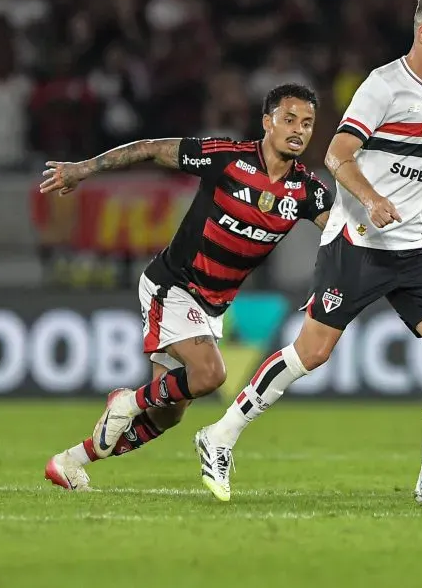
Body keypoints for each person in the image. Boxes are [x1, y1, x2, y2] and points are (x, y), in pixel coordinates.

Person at [190, 0, 422, 505]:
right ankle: (219, 435)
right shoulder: (384, 86)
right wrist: (371, 201)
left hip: (408, 249)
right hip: (356, 242)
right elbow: (337, 154)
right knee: (312, 352)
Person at [39, 83, 330, 490]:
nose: (298, 129)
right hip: (172, 286)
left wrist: (334, 280)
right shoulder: (227, 159)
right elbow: (152, 148)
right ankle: (127, 401)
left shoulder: (307, 192)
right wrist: (85, 168)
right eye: (289, 119)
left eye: (308, 123)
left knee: (168, 415)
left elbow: (340, 238)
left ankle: (70, 461)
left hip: (212, 306)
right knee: (210, 374)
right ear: (267, 122)